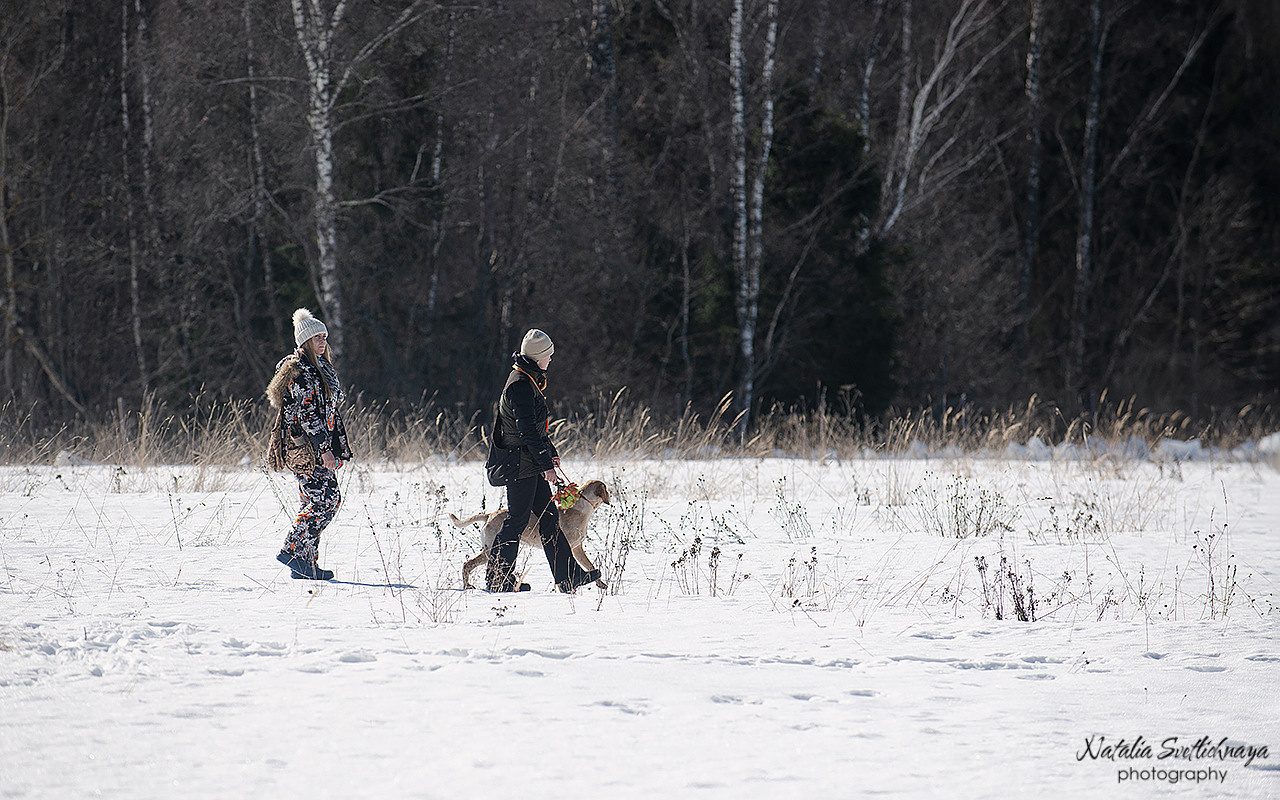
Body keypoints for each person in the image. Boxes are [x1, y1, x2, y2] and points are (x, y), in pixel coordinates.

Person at [488, 329, 601, 593]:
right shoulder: (519, 385)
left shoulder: (527, 379)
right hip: (520, 466)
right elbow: (525, 431)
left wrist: (549, 451)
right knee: (516, 521)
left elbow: (536, 430)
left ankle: (568, 576)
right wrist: (547, 466)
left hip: (529, 463)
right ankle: (498, 580)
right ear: (538, 357)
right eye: (548, 356)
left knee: (549, 519)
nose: (551, 360)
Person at [269, 308, 353, 581]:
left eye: (325, 336)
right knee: (324, 501)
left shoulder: (322, 367)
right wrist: (324, 449)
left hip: (321, 446)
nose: (323, 340)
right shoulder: (300, 371)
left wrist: (335, 446)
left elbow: (330, 410)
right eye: (316, 336)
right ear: (304, 340)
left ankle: (305, 564)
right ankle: (293, 551)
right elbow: (307, 414)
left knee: (319, 501)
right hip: (306, 448)